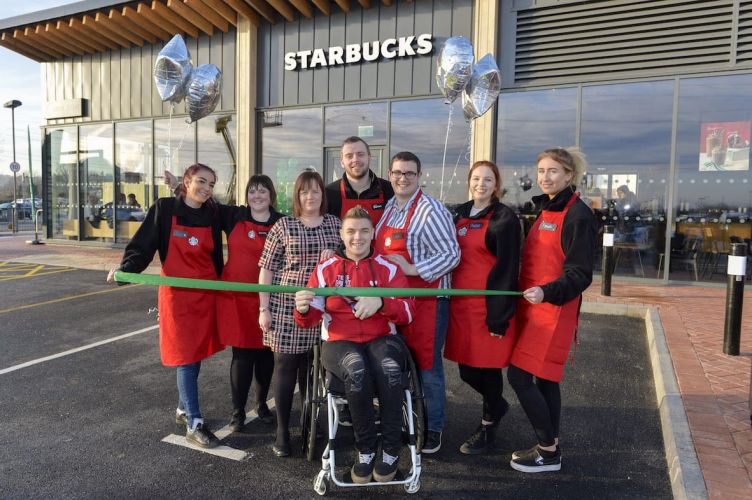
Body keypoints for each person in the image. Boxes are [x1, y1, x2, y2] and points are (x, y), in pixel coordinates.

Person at [107, 163, 225, 448]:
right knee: (185, 355)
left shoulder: (213, 213)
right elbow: (143, 244)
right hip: (177, 296)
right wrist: (126, 269)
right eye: (201, 181)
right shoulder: (165, 208)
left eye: (211, 184)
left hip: (206, 293)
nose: (206, 188)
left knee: (195, 354)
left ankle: (184, 409)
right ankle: (194, 423)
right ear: (187, 181)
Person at [294, 207, 415, 483]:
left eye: (363, 231)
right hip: (340, 341)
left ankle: (392, 451)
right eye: (350, 231)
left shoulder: (388, 267)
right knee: (356, 368)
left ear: (373, 233)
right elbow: (309, 318)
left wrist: (382, 303)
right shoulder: (326, 269)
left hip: (382, 338)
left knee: (389, 367)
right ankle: (366, 449)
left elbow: (409, 311)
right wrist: (302, 309)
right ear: (341, 234)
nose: (357, 237)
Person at [507, 147, 596, 473]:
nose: (545, 177)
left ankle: (547, 451)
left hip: (554, 310)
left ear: (569, 175)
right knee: (545, 379)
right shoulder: (547, 209)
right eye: (541, 170)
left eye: (553, 171)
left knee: (519, 376)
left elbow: (579, 274)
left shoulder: (578, 215)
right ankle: (551, 445)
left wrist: (547, 291)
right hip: (533, 306)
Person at [373, 151, 460, 454]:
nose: (403, 178)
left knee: (428, 367)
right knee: (398, 364)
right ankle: (406, 421)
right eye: (397, 172)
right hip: (398, 302)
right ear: (390, 173)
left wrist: (412, 268)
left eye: (409, 173)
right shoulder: (389, 208)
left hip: (428, 302)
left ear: (419, 176)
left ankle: (433, 428)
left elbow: (451, 254)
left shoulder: (431, 210)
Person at [258, 171, 342, 457]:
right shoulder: (283, 226)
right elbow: (266, 269)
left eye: (315, 190)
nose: (310, 196)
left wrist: (336, 255)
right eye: (304, 191)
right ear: (297, 196)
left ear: (322, 194)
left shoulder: (335, 224)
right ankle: (282, 430)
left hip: (323, 308)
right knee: (285, 367)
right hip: (286, 307)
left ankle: (310, 418)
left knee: (313, 368)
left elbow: (351, 259)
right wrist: (263, 307)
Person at [445, 160, 521, 455]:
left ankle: (489, 422)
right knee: (466, 371)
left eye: (488, 179)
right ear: (469, 181)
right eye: (476, 178)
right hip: (461, 306)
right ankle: (499, 405)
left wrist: (499, 316)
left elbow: (507, 269)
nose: (481, 184)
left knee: (487, 370)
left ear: (496, 185)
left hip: (489, 307)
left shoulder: (504, 218)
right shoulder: (458, 214)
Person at [217, 175, 284, 431]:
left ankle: (261, 404)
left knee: (266, 355)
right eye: (253, 191)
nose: (257, 196)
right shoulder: (234, 216)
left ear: (271, 195)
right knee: (242, 355)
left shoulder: (281, 222)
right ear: (247, 195)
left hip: (269, 298)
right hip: (237, 299)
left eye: (263, 191)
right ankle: (237, 411)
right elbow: (203, 203)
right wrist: (179, 185)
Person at [325, 136, 394, 226]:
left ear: (369, 158)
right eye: (349, 156)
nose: (355, 160)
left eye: (360, 154)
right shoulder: (329, 193)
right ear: (342, 162)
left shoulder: (389, 190)